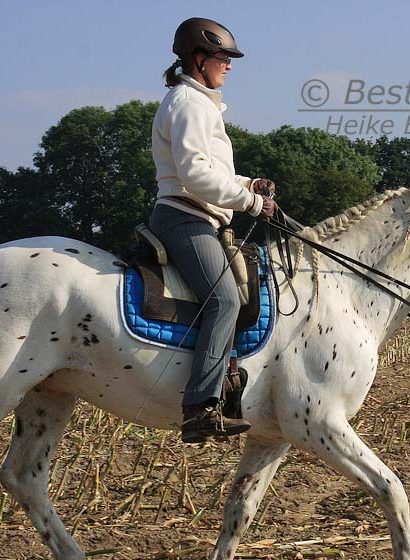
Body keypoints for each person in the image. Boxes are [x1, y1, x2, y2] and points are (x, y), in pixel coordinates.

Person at [150, 17, 277, 442]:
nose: (229, 66)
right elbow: (194, 176)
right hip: (184, 217)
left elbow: (212, 172)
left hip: (201, 215)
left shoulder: (199, 103)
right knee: (223, 300)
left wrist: (247, 185)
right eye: (223, 57)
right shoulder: (189, 104)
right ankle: (200, 407)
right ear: (199, 58)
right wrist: (250, 202)